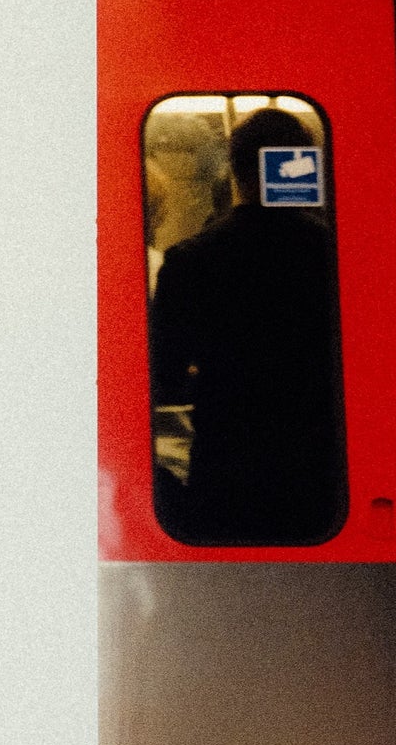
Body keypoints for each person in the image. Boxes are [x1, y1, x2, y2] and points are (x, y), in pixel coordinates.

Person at [148, 106, 346, 545]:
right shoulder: (340, 257)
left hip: (228, 463)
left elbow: (163, 376)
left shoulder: (190, 261)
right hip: (327, 468)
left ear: (234, 172)